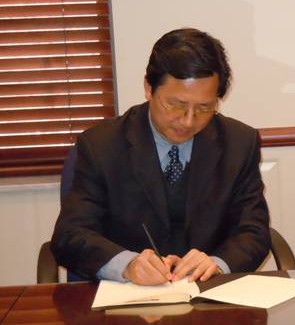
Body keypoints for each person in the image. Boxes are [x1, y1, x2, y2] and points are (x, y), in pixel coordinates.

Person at [52, 28, 271, 285]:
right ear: (149, 87)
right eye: (176, 105)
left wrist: (218, 263)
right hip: (128, 298)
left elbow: (254, 232)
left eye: (204, 108)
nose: (188, 121)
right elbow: (70, 235)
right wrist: (127, 265)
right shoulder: (101, 146)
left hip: (209, 295)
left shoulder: (239, 143)